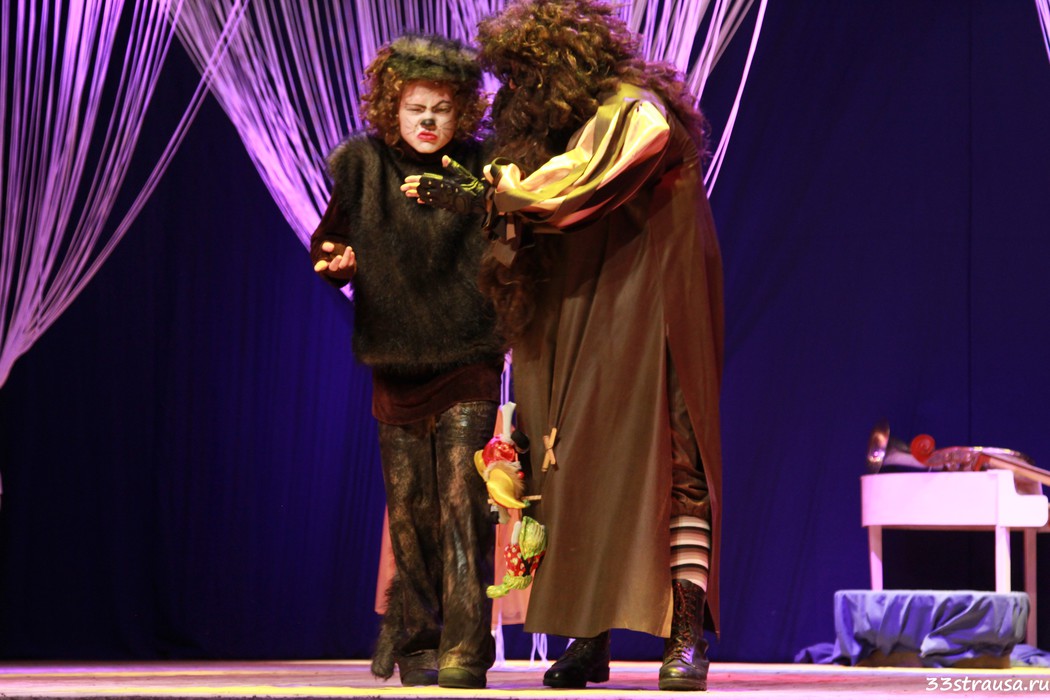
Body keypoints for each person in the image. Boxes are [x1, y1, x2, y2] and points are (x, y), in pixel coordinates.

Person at [405, 0, 725, 691]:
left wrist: (492, 194)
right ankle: (589, 632)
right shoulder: (550, 133)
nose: (515, 92)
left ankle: (685, 635)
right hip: (581, 303)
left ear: (565, 68)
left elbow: (574, 185)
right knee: (569, 460)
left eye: (526, 76)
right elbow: (529, 211)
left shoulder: (633, 109)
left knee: (674, 457)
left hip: (653, 295)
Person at [310, 34, 503, 690]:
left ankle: (466, 646)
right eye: (416, 107)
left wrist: (472, 201)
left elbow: (516, 238)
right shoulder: (363, 166)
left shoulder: (483, 167)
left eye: (441, 110)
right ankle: (418, 641)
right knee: (410, 512)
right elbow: (329, 243)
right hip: (395, 363)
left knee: (463, 506)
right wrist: (338, 262)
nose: (427, 120)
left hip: (467, 356)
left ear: (461, 113)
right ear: (392, 108)